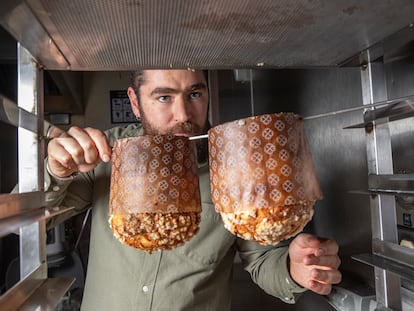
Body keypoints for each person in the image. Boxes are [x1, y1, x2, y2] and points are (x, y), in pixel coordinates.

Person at [45, 69, 341, 310]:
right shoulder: (107, 154)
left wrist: (295, 268)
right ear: (135, 103)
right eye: (163, 97)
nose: (183, 114)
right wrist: (56, 171)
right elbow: (38, 223)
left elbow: (262, 261)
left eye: (195, 94)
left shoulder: (236, 162)